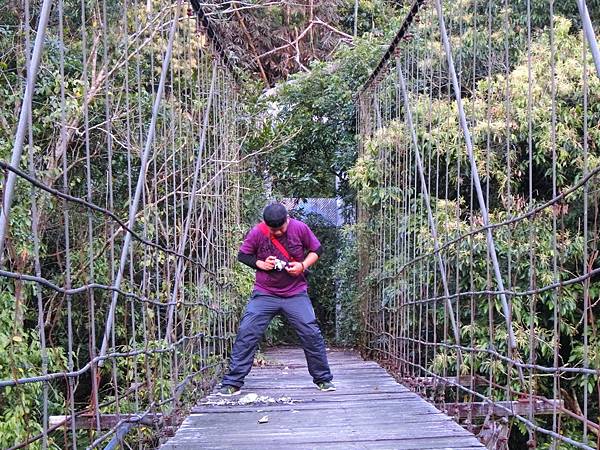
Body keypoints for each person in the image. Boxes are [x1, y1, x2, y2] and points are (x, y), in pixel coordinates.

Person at [217, 203, 335, 396]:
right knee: (247, 331)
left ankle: (323, 380)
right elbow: (243, 255)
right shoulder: (257, 232)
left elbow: (317, 250)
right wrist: (261, 264)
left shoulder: (300, 228)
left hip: (295, 292)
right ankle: (232, 382)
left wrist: (302, 266)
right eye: (274, 230)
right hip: (265, 293)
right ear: (266, 224)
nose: (279, 232)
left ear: (287, 219)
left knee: (311, 332)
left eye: (281, 228)